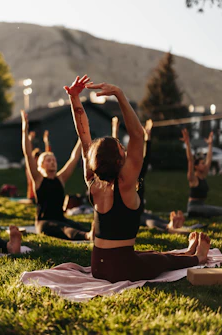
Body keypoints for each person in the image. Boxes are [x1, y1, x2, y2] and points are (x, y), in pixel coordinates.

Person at [64, 75, 210, 283]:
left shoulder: (92, 181)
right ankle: (197, 258)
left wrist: (75, 98)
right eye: (121, 149)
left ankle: (187, 252)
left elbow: (83, 134)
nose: (125, 150)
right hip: (121, 269)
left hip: (98, 265)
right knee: (161, 261)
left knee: (149, 254)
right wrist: (119, 94)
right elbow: (137, 135)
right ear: (119, 160)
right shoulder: (125, 184)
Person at [21, 110, 93, 241]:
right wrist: (24, 130)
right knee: (64, 229)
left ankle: (94, 234)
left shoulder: (60, 178)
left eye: (53, 160)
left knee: (76, 225)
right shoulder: (38, 179)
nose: (52, 162)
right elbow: (27, 154)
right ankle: (87, 236)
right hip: (44, 222)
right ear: (41, 165)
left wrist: (82, 136)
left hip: (61, 218)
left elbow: (74, 158)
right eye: (48, 160)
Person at [112, 116, 185, 232]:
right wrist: (114, 130)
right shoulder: (120, 176)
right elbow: (113, 152)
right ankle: (169, 226)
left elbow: (146, 157)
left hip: (141, 212)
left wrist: (148, 136)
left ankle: (172, 223)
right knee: (148, 221)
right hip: (129, 215)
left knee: (152, 217)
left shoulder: (138, 173)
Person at [180, 128, 222, 218]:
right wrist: (187, 144)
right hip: (193, 207)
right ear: (196, 166)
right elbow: (190, 160)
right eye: (202, 164)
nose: (204, 165)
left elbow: (209, 159)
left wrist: (210, 144)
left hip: (202, 205)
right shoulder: (192, 178)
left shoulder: (203, 175)